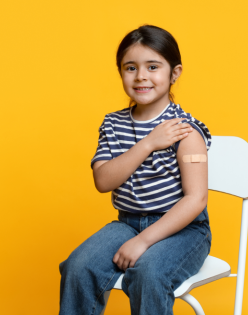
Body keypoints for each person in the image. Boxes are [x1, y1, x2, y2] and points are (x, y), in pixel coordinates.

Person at [59, 24, 212, 315]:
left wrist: (142, 241)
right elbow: (103, 181)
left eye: (153, 66)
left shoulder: (185, 131)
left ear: (174, 73)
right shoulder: (113, 124)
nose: (141, 76)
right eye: (131, 67)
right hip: (127, 223)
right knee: (79, 267)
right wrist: (148, 144)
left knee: (148, 274)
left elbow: (196, 200)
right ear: (120, 72)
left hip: (182, 229)